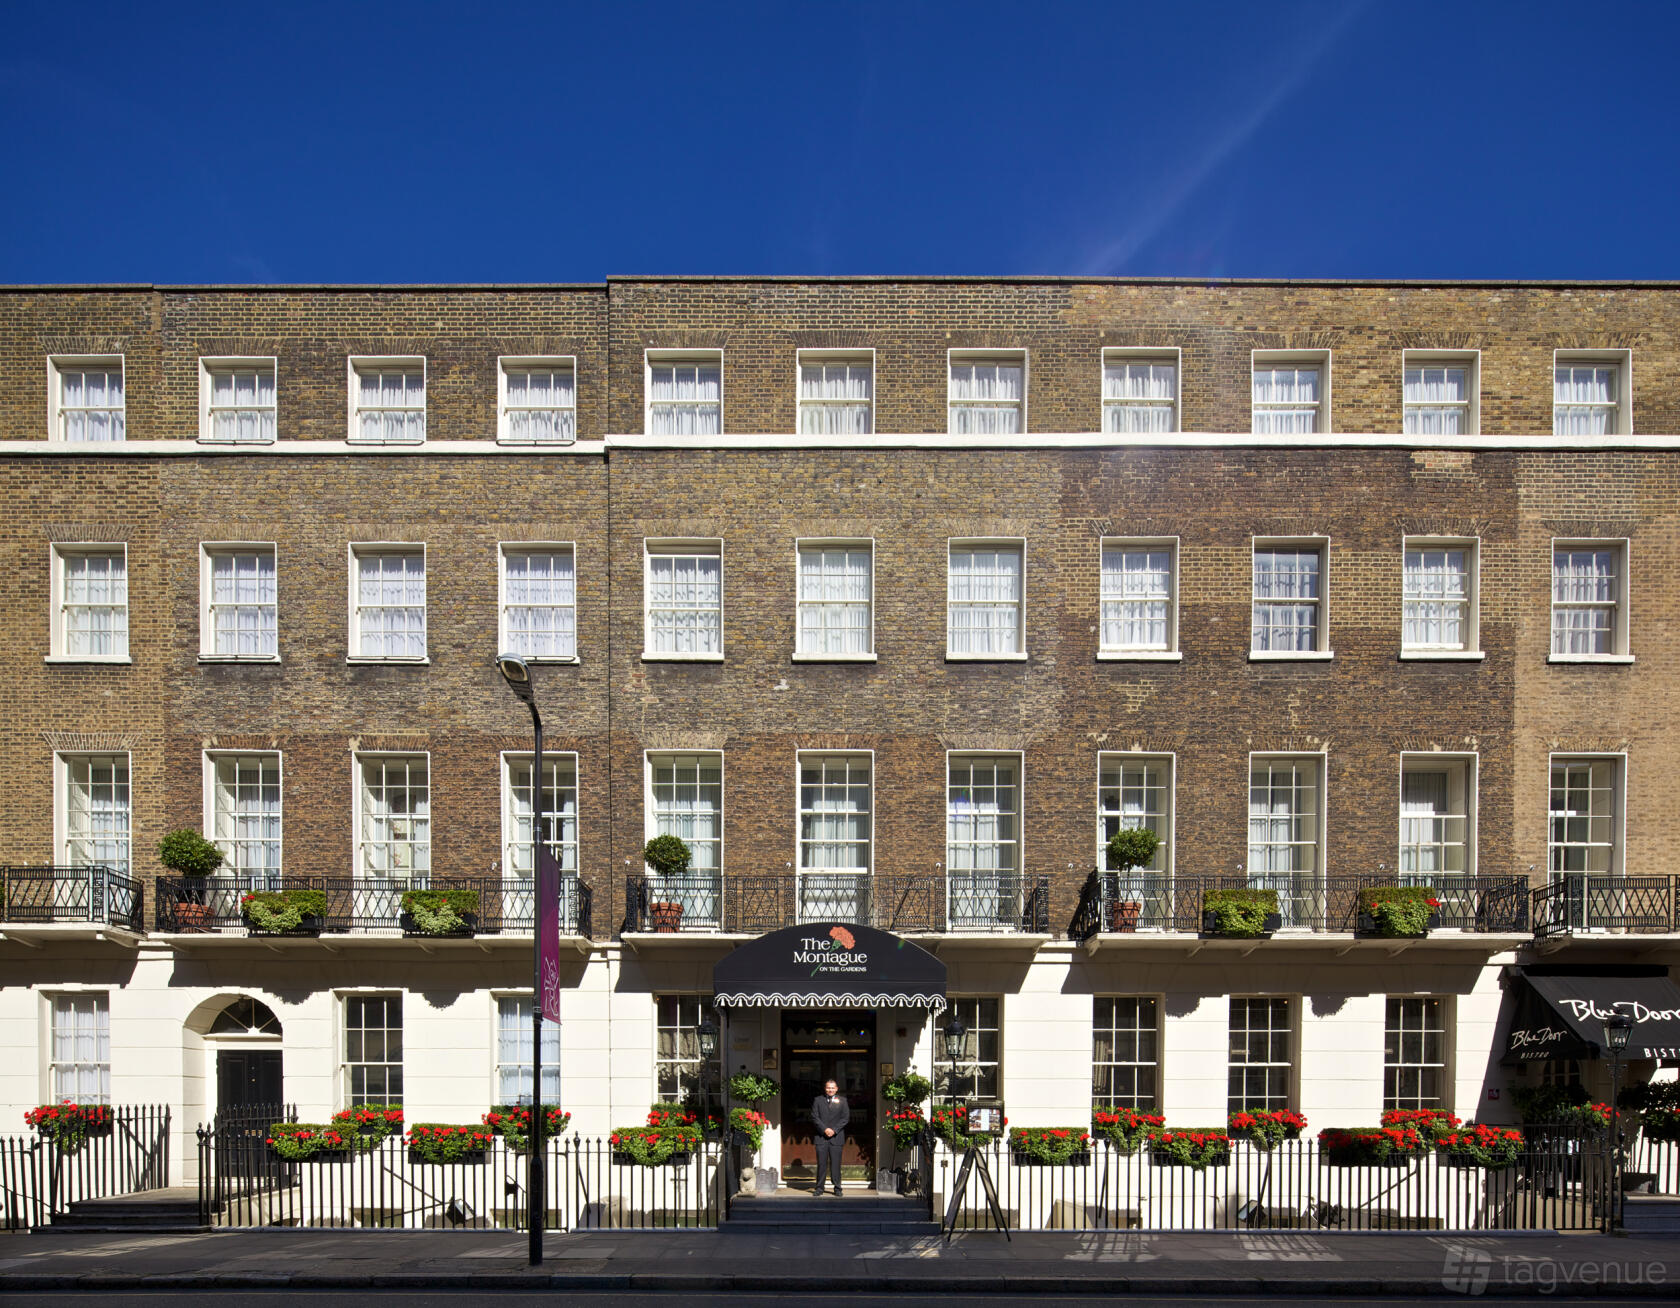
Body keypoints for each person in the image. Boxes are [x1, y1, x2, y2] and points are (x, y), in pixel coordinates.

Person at [810, 1077, 850, 1196]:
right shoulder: (818, 1100)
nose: (830, 1090)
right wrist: (824, 1129)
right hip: (821, 1137)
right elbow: (814, 1117)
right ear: (825, 1088)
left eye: (832, 1088)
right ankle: (819, 1188)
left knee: (836, 1165)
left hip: (836, 1138)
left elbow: (845, 1118)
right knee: (821, 1164)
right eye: (828, 1088)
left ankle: (837, 1188)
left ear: (836, 1089)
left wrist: (834, 1130)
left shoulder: (843, 1101)